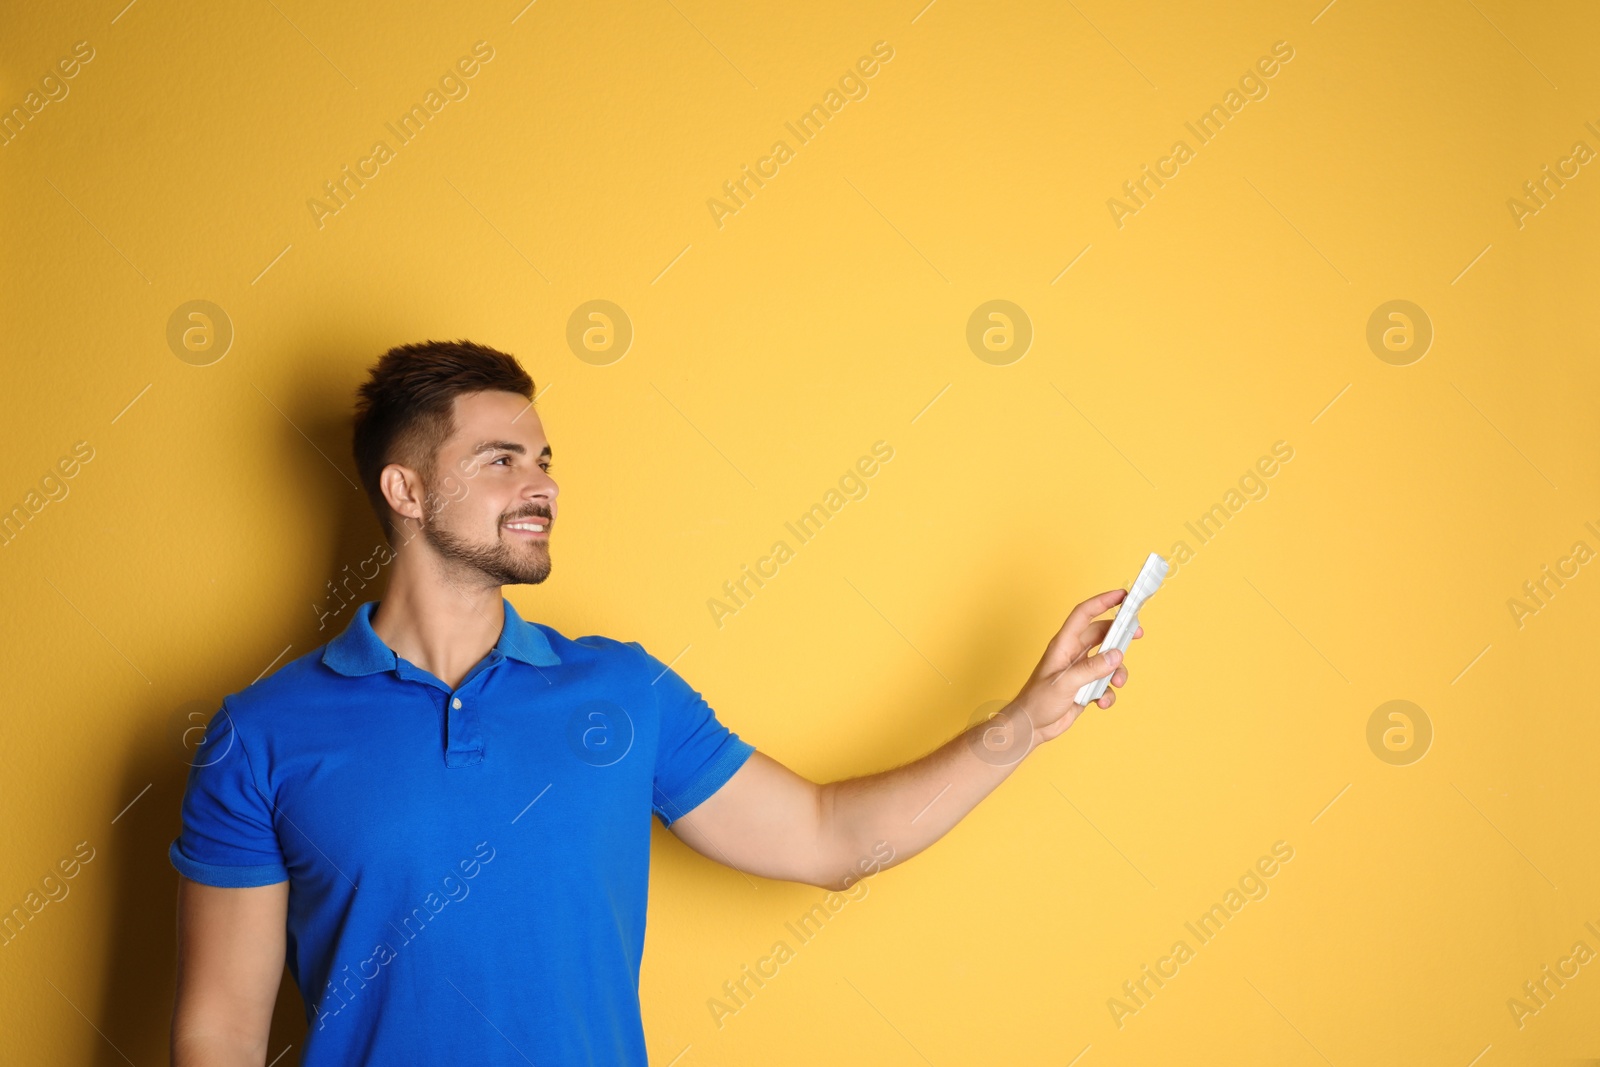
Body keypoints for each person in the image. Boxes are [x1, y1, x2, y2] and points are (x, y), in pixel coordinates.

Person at [168, 339, 1138, 1066]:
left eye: (546, 459)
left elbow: (828, 838)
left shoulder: (620, 690)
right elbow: (219, 1028)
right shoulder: (262, 732)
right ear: (405, 488)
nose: (541, 483)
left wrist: (1025, 720)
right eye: (501, 458)